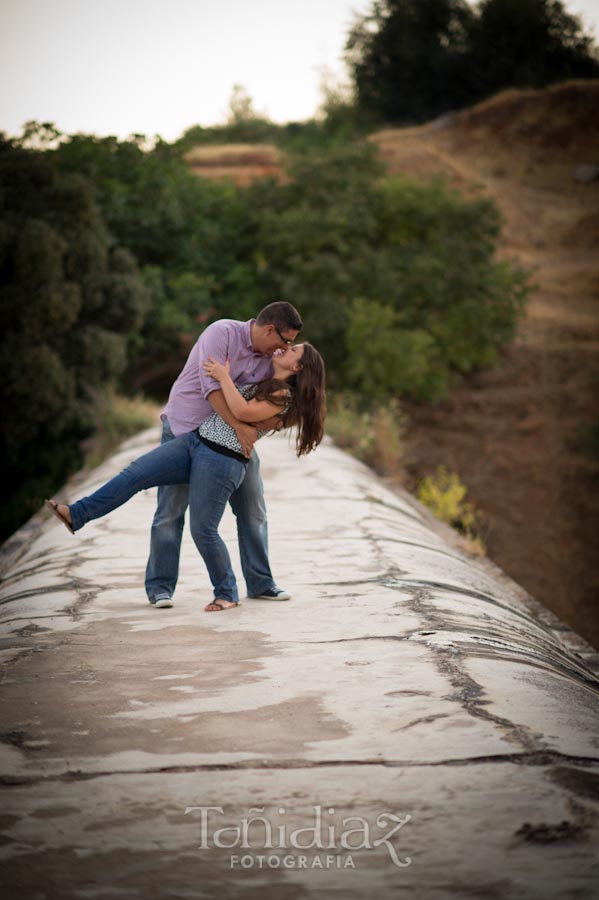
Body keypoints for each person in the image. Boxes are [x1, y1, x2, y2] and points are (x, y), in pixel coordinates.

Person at [46, 342, 326, 612]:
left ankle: (227, 593)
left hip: (221, 459)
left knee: (203, 530)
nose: (285, 349)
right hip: (195, 442)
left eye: (293, 350)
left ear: (299, 367)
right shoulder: (267, 379)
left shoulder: (283, 396)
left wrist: (223, 376)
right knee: (134, 475)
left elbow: (243, 411)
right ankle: (77, 514)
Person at [146, 302, 303, 608]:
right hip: (184, 430)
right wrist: (241, 427)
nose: (287, 347)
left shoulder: (272, 359)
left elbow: (270, 400)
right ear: (269, 329)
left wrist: (252, 429)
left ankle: (261, 583)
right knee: (170, 511)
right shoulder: (222, 334)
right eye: (285, 340)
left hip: (228, 444)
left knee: (253, 509)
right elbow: (212, 390)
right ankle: (160, 588)